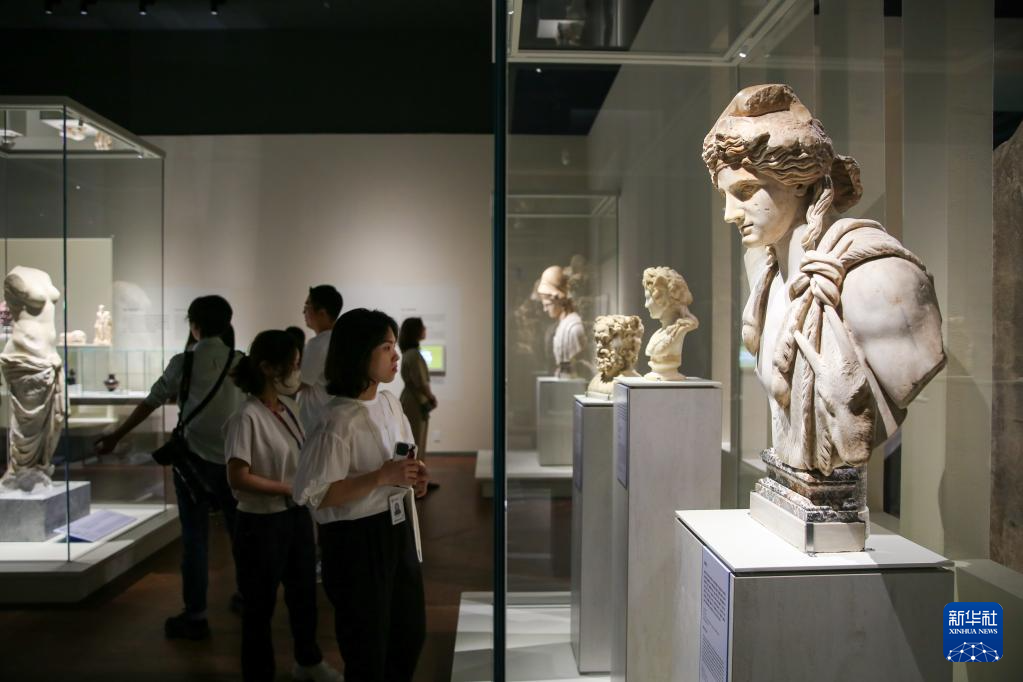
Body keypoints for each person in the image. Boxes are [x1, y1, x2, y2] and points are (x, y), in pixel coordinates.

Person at [94, 295, 244, 640]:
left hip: (191, 462)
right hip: (235, 461)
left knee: (195, 539)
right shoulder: (240, 362)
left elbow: (151, 401)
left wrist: (116, 435)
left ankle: (196, 615)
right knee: (241, 534)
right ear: (227, 323)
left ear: (194, 325)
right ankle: (248, 598)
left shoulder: (183, 363)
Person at [293, 308, 430, 682]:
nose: (395, 355)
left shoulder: (389, 403)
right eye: (386, 347)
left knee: (408, 635)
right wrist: (380, 476)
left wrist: (414, 476)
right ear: (358, 353)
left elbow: (403, 458)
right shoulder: (337, 420)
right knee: (368, 649)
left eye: (394, 346)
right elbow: (314, 494)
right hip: (356, 542)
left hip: (397, 529)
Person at [225, 330, 342, 682]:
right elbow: (238, 476)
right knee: (259, 607)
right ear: (268, 368)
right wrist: (288, 488)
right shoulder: (246, 416)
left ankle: (308, 661)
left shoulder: (288, 408)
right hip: (260, 524)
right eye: (293, 365)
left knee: (304, 595)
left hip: (294, 517)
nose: (297, 373)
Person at [397, 317, 439, 491]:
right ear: (415, 331)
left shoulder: (410, 353)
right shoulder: (413, 354)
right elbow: (420, 381)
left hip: (413, 400)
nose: (425, 329)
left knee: (416, 441)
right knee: (415, 442)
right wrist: (431, 397)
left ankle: (419, 480)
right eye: (422, 327)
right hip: (415, 402)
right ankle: (414, 483)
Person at [299, 285, 344, 434]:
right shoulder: (340, 340)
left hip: (314, 418)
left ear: (322, 313)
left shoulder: (317, 344)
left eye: (307, 306)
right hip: (332, 415)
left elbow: (299, 383)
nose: (304, 312)